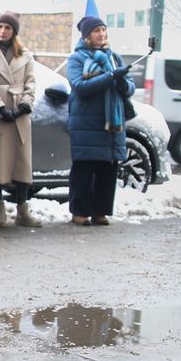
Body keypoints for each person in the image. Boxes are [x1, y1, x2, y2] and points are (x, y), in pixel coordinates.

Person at [0, 10, 42, 228]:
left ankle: (22, 208)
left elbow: (32, 83)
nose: (2, 31)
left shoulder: (26, 56)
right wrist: (1, 108)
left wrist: (23, 106)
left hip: (20, 114)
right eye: (0, 27)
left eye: (7, 28)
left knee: (21, 163)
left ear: (14, 32)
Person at [65, 16, 135, 226]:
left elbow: (130, 87)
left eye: (103, 30)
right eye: (96, 31)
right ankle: (80, 211)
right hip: (86, 121)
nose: (101, 34)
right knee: (84, 168)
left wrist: (122, 82)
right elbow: (79, 86)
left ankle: (101, 211)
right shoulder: (76, 59)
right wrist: (111, 77)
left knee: (107, 168)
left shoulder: (114, 57)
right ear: (86, 35)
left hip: (111, 121)